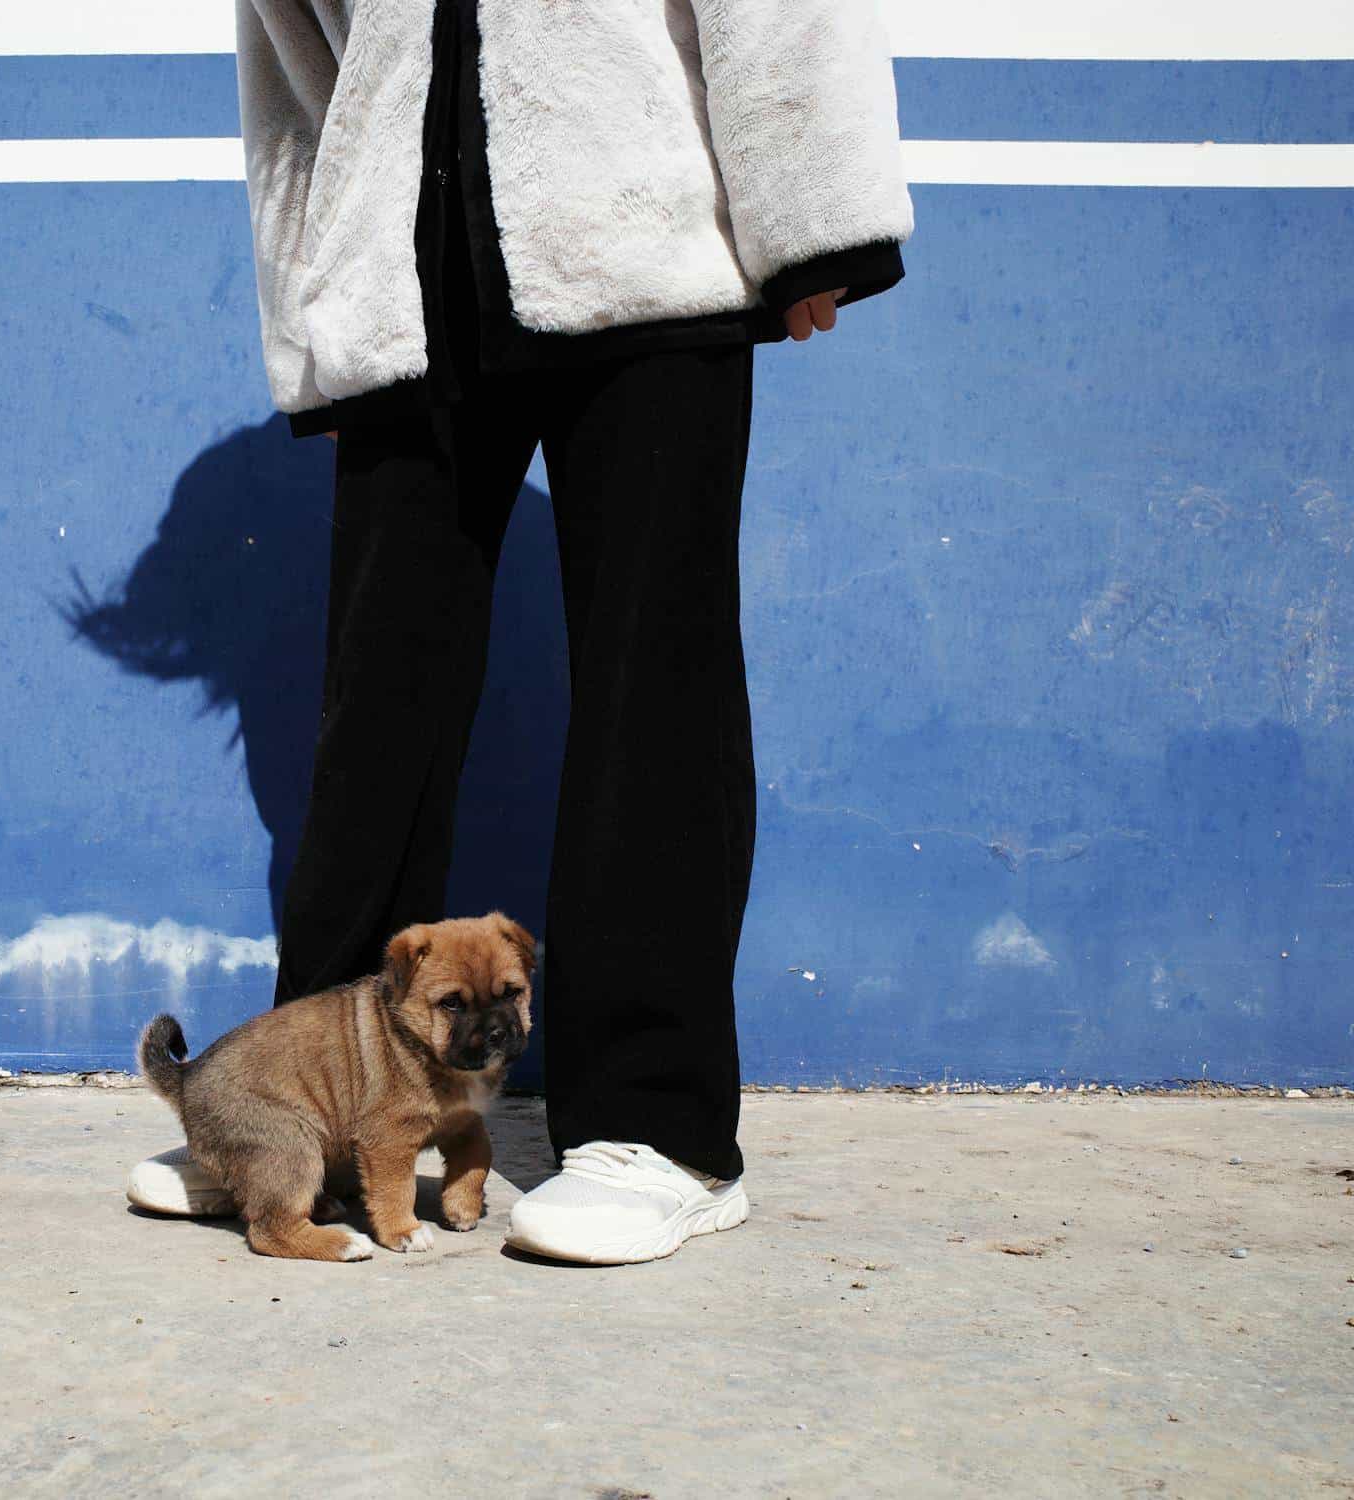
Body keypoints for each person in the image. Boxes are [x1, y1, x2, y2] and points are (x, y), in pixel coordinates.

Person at [130, 0, 913, 1264]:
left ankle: (662, 1132)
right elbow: (292, 54)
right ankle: (295, 1115)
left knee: (653, 687)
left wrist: (810, 218)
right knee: (378, 706)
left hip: (641, 226)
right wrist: (318, 321)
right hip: (401, 267)